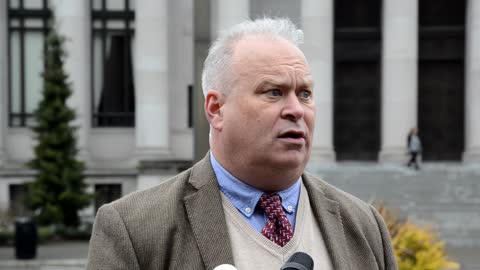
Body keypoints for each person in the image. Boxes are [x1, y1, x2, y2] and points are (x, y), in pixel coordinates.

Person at [86, 18, 397, 270]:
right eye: (273, 92)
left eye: (304, 94)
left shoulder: (364, 226)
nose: (296, 110)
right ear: (216, 109)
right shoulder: (134, 229)